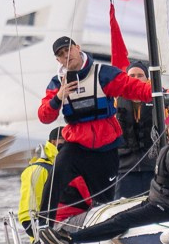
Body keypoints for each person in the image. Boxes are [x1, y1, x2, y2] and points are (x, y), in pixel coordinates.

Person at [35, 35, 153, 228]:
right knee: (57, 172)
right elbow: (44, 116)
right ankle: (43, 224)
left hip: (106, 148)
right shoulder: (57, 83)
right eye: (61, 54)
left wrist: (161, 92)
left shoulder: (102, 74)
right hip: (77, 146)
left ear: (77, 48)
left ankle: (106, 234)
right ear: (58, 60)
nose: (66, 55)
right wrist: (58, 98)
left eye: (68, 50)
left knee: (105, 199)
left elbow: (132, 88)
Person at [63, 110, 169, 244]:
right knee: (118, 217)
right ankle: (73, 237)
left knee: (122, 220)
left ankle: (72, 240)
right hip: (159, 202)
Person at [14, 133, 62, 236]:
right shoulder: (38, 170)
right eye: (65, 140)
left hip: (72, 223)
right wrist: (37, 233)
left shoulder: (67, 164)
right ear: (54, 142)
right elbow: (29, 211)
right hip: (48, 231)